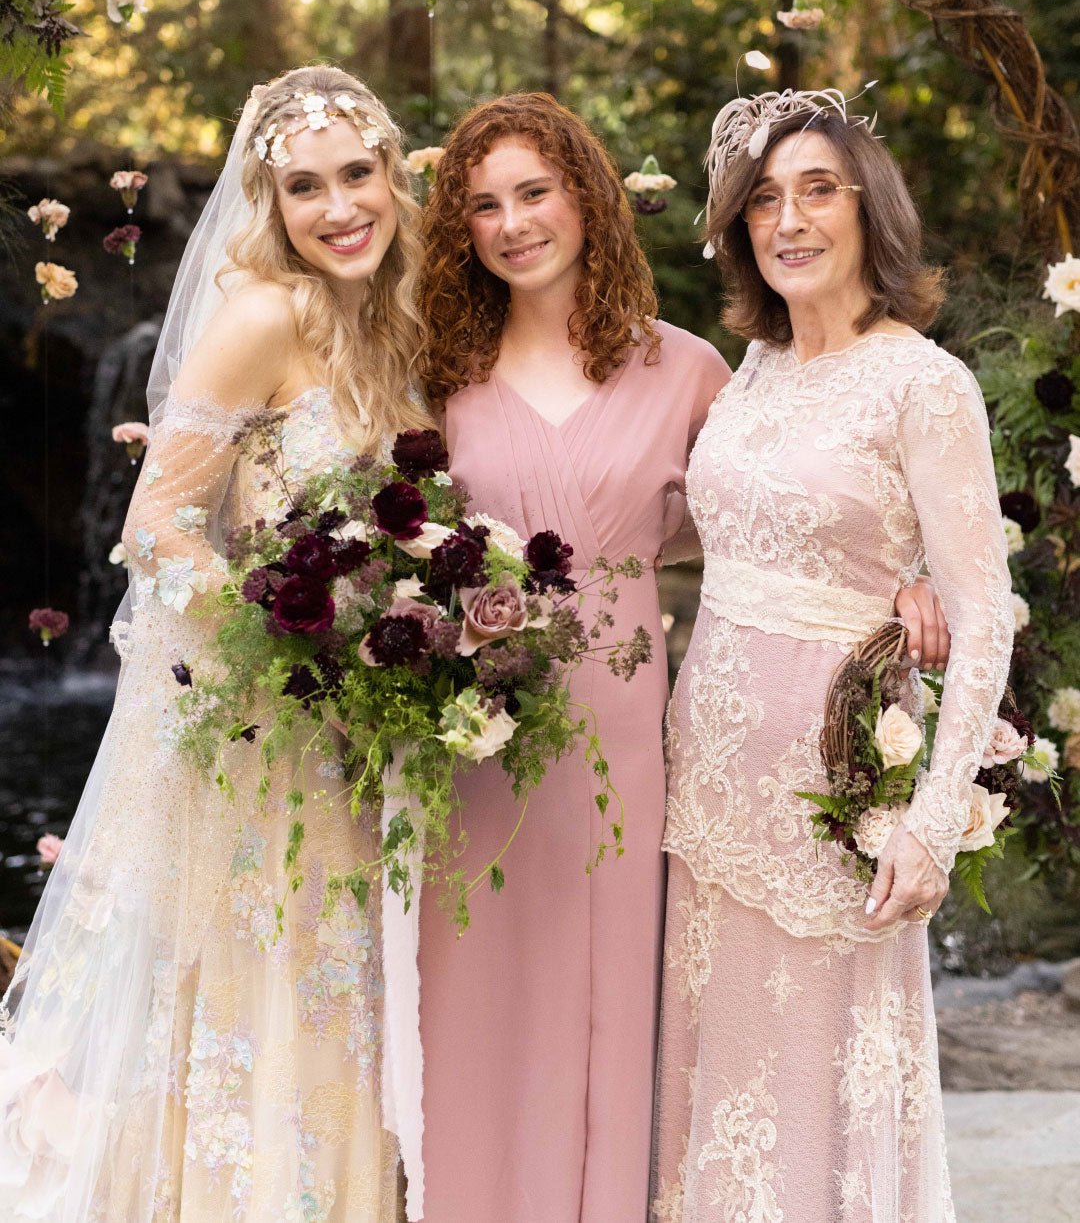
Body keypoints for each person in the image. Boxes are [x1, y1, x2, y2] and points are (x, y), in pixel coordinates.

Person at [413, 91, 950, 1223]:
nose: (513, 223)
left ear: (588, 199)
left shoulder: (698, 369)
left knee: (617, 996)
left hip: (626, 726)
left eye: (535, 192)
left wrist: (903, 574)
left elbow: (776, 512)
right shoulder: (440, 371)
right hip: (478, 724)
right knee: (470, 991)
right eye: (484, 204)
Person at [0, 66, 423, 1223]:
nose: (340, 206)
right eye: (305, 186)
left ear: (392, 174)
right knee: (273, 991)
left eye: (356, 174)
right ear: (271, 202)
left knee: (351, 996)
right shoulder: (262, 316)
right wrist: (295, 624)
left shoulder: (387, 318)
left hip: (367, 735)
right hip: (270, 731)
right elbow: (155, 528)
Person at [652, 90, 1014, 1222]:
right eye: (764, 198)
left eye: (818, 189)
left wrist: (933, 816)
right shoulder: (751, 366)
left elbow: (985, 611)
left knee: (813, 1074)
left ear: (870, 210)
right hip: (702, 783)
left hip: (832, 790)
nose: (790, 218)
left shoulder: (924, 382)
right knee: (711, 1070)